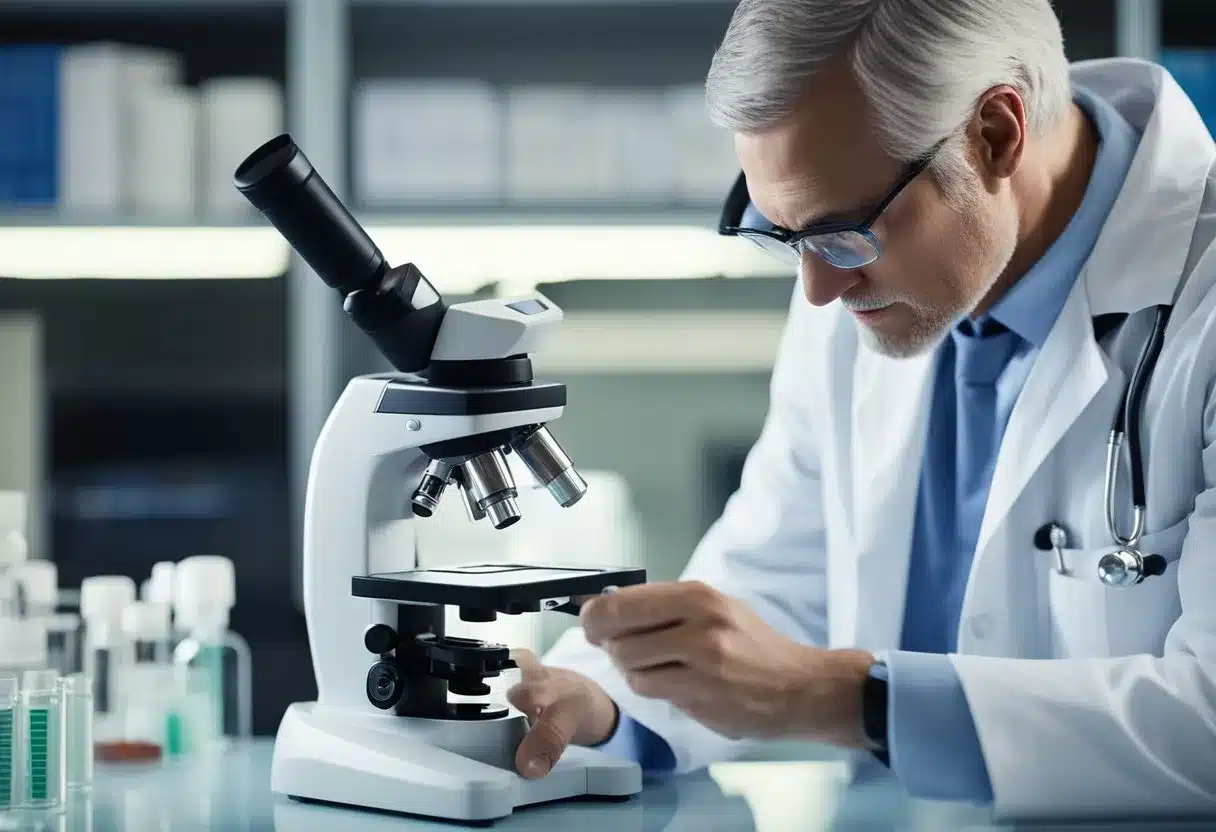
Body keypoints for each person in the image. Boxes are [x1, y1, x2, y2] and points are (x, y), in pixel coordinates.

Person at [507, 0, 1216, 817]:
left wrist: (848, 699)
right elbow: (779, 574)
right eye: (787, 236)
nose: (817, 289)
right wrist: (608, 705)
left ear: (995, 134)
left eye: (841, 234)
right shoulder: (857, 280)